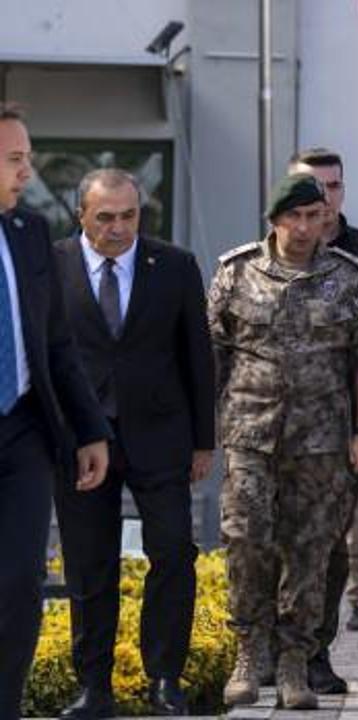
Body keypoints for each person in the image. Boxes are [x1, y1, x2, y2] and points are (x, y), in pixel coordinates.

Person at [210, 173, 358, 710]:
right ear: (275, 221)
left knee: (311, 552)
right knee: (246, 539)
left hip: (322, 440)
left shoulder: (348, 279)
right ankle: (249, 648)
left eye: (314, 216)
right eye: (295, 217)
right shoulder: (236, 274)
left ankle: (294, 663)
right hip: (251, 434)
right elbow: (213, 354)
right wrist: (201, 433)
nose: (305, 228)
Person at [51, 169, 214, 718]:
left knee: (174, 552)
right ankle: (93, 688)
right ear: (82, 217)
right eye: (105, 218)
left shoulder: (174, 266)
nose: (119, 228)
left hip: (161, 436)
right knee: (88, 565)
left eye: (129, 216)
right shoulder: (50, 266)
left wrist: (202, 441)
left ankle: (164, 680)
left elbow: (198, 356)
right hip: (79, 440)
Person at [0, 104, 110, 720]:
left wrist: (89, 428)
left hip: (22, 431)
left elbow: (56, 342)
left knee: (19, 584)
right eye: (15, 159)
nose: (27, 171)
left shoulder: (30, 232)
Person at [285, 147, 358, 693]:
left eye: (331, 188)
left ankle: (314, 653)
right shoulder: (257, 261)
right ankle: (266, 651)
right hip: (273, 433)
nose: (321, 200)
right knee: (268, 545)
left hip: (343, 430)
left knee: (331, 547)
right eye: (310, 188)